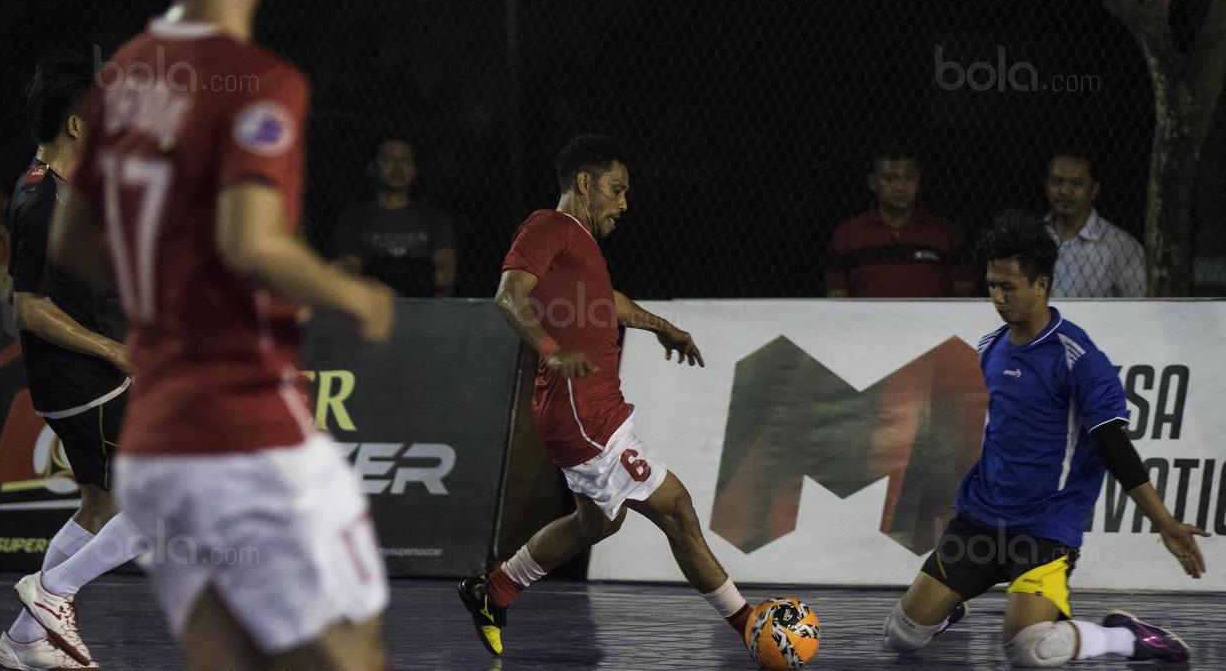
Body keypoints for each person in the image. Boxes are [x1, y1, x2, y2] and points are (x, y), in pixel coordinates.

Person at [48, 0, 397, 669]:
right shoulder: (259, 80)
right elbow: (251, 243)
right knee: (351, 651)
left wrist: (169, 292)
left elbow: (74, 239)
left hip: (157, 440)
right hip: (246, 431)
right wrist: (353, 294)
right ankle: (51, 591)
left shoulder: (132, 72)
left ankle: (50, 593)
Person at [459, 135, 753, 659]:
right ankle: (750, 624)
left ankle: (494, 591)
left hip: (589, 409)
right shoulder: (549, 226)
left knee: (600, 520)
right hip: (582, 411)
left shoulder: (581, 244)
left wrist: (659, 324)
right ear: (584, 183)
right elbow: (508, 294)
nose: (624, 204)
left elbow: (605, 301)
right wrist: (550, 348)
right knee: (677, 510)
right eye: (617, 190)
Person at [881, 211, 1208, 667]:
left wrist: (1164, 521)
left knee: (1031, 650)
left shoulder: (1079, 358)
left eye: (1008, 287)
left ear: (1041, 284)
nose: (997, 297)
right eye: (991, 285)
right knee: (900, 635)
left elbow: (1113, 446)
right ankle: (948, 605)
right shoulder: (989, 349)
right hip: (981, 521)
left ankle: (1121, 636)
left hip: (1044, 529)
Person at [0, 50, 138, 671]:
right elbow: (27, 308)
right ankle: (54, 592)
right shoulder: (39, 201)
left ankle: (25, 639)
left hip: (94, 379)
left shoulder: (76, 188)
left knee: (101, 507)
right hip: (90, 386)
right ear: (77, 125)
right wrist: (113, 348)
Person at [826, 144, 976, 297]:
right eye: (890, 178)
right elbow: (836, 295)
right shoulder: (848, 234)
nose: (900, 187)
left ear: (919, 180)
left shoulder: (946, 234)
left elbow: (965, 294)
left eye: (909, 178)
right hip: (866, 321)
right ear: (872, 182)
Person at [331, 137, 458, 296]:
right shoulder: (354, 219)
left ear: (413, 170)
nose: (397, 167)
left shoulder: (434, 220)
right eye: (388, 159)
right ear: (373, 167)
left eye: (404, 160)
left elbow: (444, 277)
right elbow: (349, 272)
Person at [1044, 152, 1146, 297]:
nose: (1065, 191)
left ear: (1094, 190)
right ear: (1046, 186)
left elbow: (1139, 306)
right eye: (1057, 181)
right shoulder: (1031, 237)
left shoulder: (1121, 246)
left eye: (1076, 183)